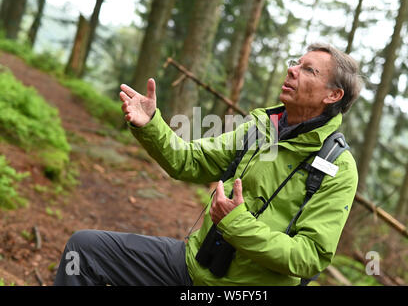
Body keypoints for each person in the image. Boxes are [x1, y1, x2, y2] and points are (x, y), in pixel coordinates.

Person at [54, 43, 362, 286]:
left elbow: (310, 257)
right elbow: (187, 160)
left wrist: (236, 224)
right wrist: (150, 125)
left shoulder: (337, 166)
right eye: (295, 63)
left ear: (333, 95)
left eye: (309, 70)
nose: (293, 70)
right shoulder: (260, 128)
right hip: (191, 266)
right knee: (85, 250)